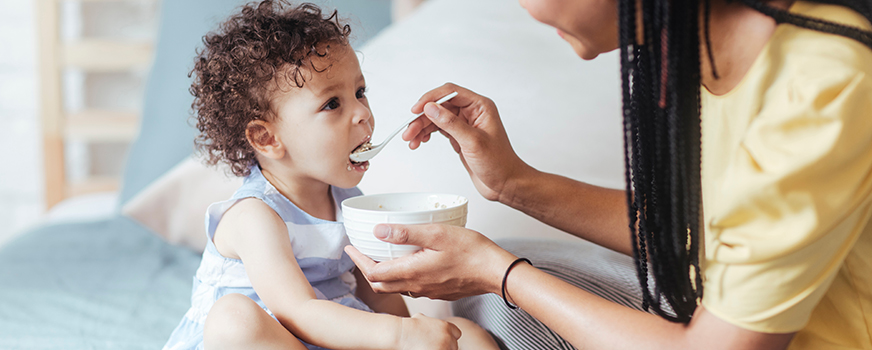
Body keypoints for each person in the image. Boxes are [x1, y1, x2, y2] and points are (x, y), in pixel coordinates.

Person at [344, 0, 872, 349]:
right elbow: (704, 231)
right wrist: (510, 182)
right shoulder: (690, 44)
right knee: (491, 297)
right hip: (709, 299)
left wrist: (499, 272)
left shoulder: (821, 91)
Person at [161, 1, 499, 349]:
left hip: (332, 337)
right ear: (268, 138)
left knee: (466, 333)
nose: (363, 114)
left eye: (360, 92)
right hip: (269, 339)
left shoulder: (350, 205)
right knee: (233, 319)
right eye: (332, 104)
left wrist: (411, 331)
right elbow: (299, 311)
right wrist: (399, 337)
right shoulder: (253, 216)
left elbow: (379, 297)